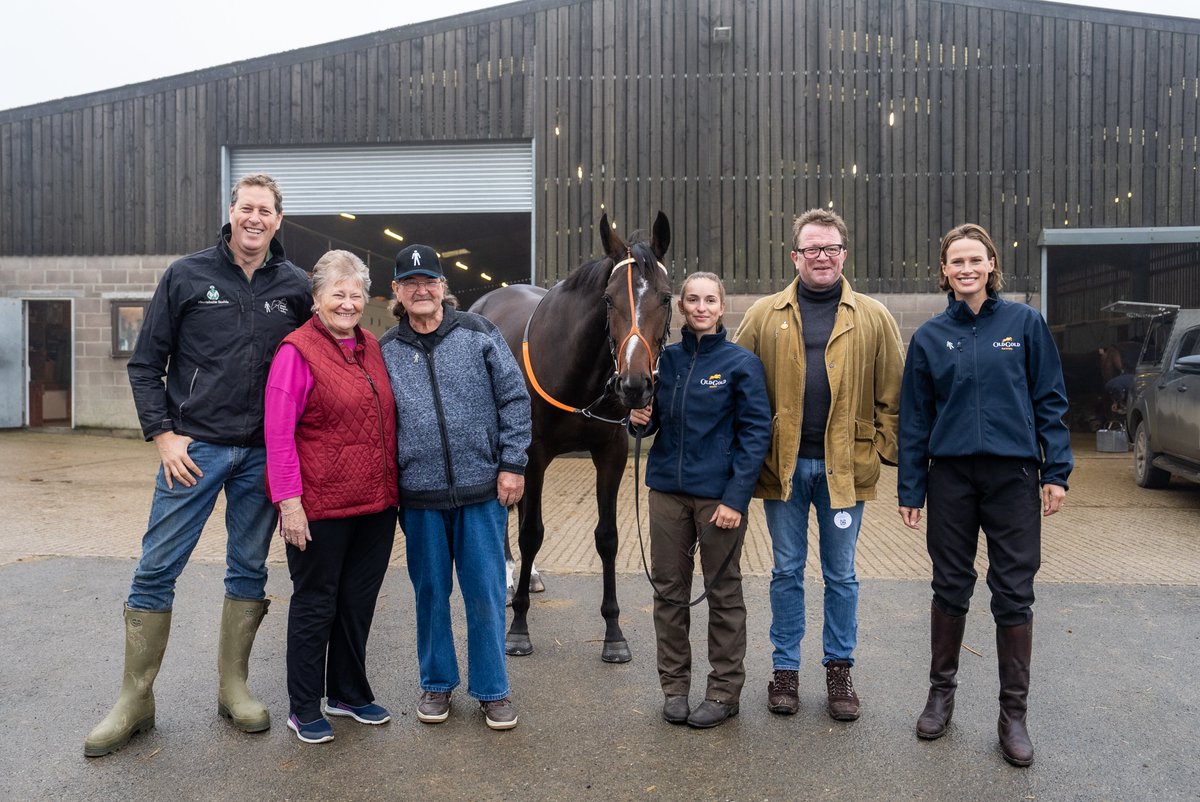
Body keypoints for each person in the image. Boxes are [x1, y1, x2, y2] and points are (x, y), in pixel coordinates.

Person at [85, 174, 313, 757]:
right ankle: (135, 699)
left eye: (266, 211)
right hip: (193, 452)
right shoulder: (187, 275)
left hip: (260, 455)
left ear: (278, 220)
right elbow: (146, 363)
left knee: (248, 568)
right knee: (156, 567)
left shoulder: (294, 286)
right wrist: (163, 436)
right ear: (231, 212)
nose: (255, 219)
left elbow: (313, 362)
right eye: (246, 208)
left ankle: (234, 689)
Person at [898, 222, 1072, 767]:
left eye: (976, 259)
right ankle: (940, 695)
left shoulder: (1024, 324)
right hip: (950, 476)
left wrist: (1056, 470)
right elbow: (915, 419)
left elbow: (1050, 399)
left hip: (1013, 476)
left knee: (1013, 591)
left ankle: (1013, 715)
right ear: (944, 271)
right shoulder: (929, 337)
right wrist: (911, 487)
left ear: (992, 264)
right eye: (957, 261)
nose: (967, 269)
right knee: (950, 584)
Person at [733, 208, 903, 722]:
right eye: (812, 249)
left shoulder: (873, 316)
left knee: (841, 575)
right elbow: (734, 384)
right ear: (795, 256)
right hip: (782, 468)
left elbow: (894, 395)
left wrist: (880, 450)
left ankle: (839, 671)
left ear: (844, 254)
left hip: (844, 470)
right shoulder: (763, 314)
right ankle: (785, 671)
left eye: (830, 248)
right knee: (786, 570)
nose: (821, 257)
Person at [380, 244, 532, 731]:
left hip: (482, 490)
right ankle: (437, 683)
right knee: (430, 594)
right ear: (397, 292)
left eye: (429, 281)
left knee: (485, 593)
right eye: (410, 283)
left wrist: (512, 463)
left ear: (443, 287)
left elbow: (514, 398)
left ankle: (493, 690)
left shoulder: (478, 333)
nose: (421, 290)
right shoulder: (385, 350)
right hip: (419, 497)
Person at [264, 250, 398, 744]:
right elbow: (278, 435)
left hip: (375, 504)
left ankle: (348, 693)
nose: (347, 303)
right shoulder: (296, 351)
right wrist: (289, 504)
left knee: (357, 603)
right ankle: (304, 706)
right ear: (316, 299)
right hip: (320, 505)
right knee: (315, 604)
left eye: (355, 294)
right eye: (337, 294)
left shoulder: (371, 345)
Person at [628, 272, 772, 729]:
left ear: (722, 307)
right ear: (682, 307)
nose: (701, 307)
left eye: (710, 300)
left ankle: (724, 692)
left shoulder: (741, 364)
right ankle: (674, 688)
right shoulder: (665, 361)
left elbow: (755, 436)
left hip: (718, 500)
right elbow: (652, 424)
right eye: (693, 300)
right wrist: (639, 420)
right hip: (667, 494)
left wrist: (735, 499)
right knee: (668, 593)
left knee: (723, 594)